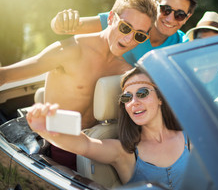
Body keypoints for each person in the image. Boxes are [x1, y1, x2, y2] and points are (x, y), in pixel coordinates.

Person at [0, 0, 157, 170]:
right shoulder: (72, 50)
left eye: (139, 35)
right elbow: (6, 76)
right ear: (111, 18)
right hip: (57, 147)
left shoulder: (126, 70)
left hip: (98, 147)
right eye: (125, 27)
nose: (129, 39)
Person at [26, 67, 190, 190]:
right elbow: (85, 145)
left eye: (142, 93)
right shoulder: (124, 152)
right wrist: (44, 130)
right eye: (127, 97)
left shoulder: (190, 137)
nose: (134, 102)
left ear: (160, 97)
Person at [51, 0, 197, 66]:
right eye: (166, 9)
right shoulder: (124, 23)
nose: (170, 18)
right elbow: (63, 28)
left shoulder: (182, 45)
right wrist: (60, 21)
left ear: (187, 18)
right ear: (154, 4)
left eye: (179, 15)